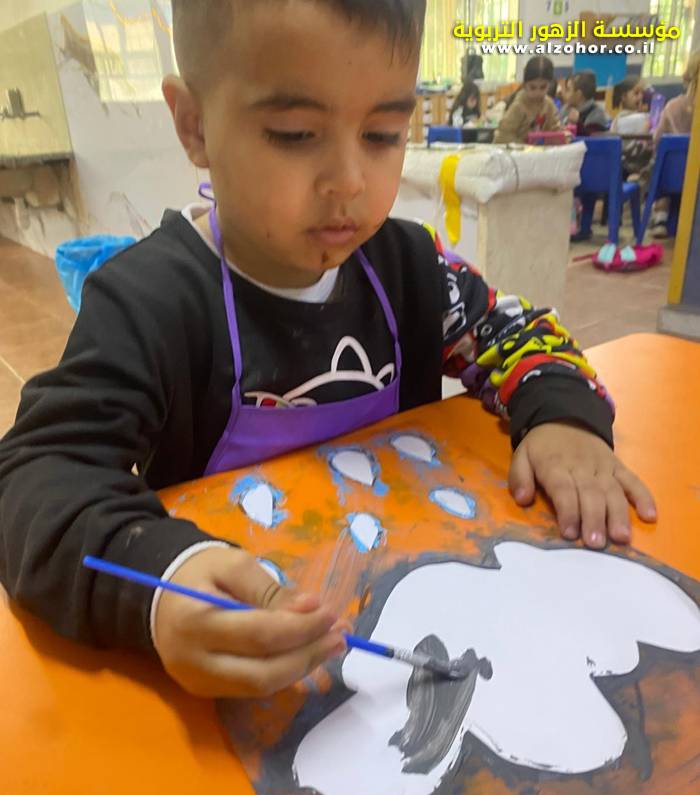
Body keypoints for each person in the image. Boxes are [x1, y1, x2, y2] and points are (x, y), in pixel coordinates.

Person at [0, 0, 656, 700]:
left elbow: (517, 330)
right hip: (238, 682)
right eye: (295, 134)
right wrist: (160, 580)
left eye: (382, 134)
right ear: (194, 125)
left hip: (411, 627)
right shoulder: (149, 303)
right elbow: (35, 477)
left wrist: (562, 412)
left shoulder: (412, 270)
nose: (349, 180)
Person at [649, 49, 699, 236]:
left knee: (658, 165)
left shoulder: (672, 107)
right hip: (696, 182)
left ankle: (660, 216)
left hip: (670, 179)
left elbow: (657, 141)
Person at [494, 56, 561, 143]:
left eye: (543, 87)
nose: (537, 92)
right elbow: (503, 135)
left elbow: (554, 130)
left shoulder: (549, 105)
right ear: (525, 84)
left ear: (549, 84)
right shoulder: (519, 105)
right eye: (532, 87)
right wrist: (524, 146)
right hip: (516, 149)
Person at [611, 77, 652, 181]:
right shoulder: (636, 119)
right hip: (631, 166)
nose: (641, 96)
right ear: (623, 97)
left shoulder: (618, 118)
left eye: (642, 93)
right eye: (636, 93)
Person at [568, 70, 610, 136]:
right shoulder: (567, 109)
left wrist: (577, 124)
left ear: (578, 94)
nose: (565, 94)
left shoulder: (597, 115)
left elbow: (590, 139)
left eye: (568, 90)